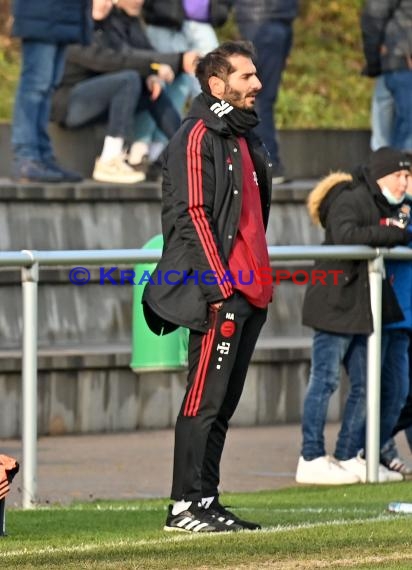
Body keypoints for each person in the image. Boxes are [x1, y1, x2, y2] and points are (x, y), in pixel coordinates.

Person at [143, 41, 272, 532]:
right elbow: (193, 215)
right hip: (220, 291)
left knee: (222, 403)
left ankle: (207, 499)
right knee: (202, 400)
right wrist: (220, 287)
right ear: (217, 85)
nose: (257, 84)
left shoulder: (241, 133)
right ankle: (183, 507)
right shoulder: (197, 134)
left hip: (250, 291)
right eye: (246, 77)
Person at [296, 147, 412, 485]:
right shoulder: (351, 198)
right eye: (399, 176)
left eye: (408, 176)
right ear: (381, 176)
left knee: (365, 385)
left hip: (359, 306)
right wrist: (395, 233)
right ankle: (311, 455)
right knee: (326, 381)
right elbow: (346, 236)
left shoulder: (379, 203)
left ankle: (348, 454)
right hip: (334, 304)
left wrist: (395, 229)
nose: (405, 183)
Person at [51, 0, 196, 184]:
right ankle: (109, 160)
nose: (104, 5)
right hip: (68, 103)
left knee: (149, 89)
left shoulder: (107, 27)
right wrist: (152, 68)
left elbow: (127, 56)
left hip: (97, 101)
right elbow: (107, 61)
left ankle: (191, 151)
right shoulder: (73, 30)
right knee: (129, 79)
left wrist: (150, 75)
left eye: (108, 0)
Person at [130, 0, 232, 172]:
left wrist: (220, 8)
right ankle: (140, 147)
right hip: (162, 19)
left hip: (201, 23)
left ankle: (163, 149)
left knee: (203, 86)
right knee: (158, 80)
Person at [11, 0, 92, 183]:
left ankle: (42, 157)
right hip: (43, 13)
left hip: (63, 16)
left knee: (47, 87)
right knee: (35, 87)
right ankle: (27, 157)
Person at [234, 0, 298, 184]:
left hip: (274, 21)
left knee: (261, 96)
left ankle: (264, 161)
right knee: (259, 97)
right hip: (265, 22)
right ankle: (267, 161)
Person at [361, 0, 412, 152]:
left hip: (396, 61)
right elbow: (373, 16)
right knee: (402, 132)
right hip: (400, 61)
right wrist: (375, 60)